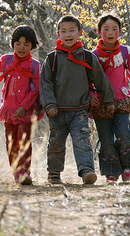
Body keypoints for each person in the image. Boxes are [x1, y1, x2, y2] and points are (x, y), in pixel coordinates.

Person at [39, 15, 115, 185]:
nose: (68, 34)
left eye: (72, 30)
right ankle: (54, 173)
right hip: (57, 110)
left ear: (79, 33)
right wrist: (49, 104)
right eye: (64, 31)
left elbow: (100, 79)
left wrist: (108, 101)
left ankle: (87, 171)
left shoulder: (87, 57)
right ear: (58, 34)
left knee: (82, 141)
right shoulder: (52, 59)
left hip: (80, 109)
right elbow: (44, 84)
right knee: (56, 143)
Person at [90, 12, 130, 183]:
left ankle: (126, 167)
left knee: (124, 134)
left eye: (114, 29)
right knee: (106, 139)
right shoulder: (93, 55)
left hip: (122, 100)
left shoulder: (125, 51)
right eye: (106, 29)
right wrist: (92, 95)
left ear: (120, 31)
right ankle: (111, 172)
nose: (110, 32)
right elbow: (90, 80)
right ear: (99, 31)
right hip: (101, 103)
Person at [0, 25, 42, 185]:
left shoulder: (35, 66)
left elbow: (35, 89)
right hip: (9, 110)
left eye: (26, 44)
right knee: (11, 143)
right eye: (18, 43)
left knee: (24, 141)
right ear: (13, 43)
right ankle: (16, 172)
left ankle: (25, 172)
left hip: (25, 112)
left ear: (32, 46)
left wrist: (24, 107)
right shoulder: (6, 60)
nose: (22, 48)